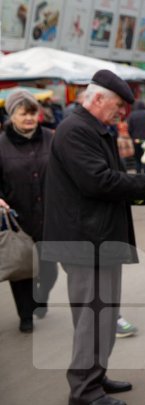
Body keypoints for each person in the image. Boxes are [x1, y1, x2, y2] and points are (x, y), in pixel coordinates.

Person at [42, 69, 145, 405]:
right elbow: (97, 181)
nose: (121, 113)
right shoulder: (76, 131)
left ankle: (95, 377)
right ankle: (85, 390)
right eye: (117, 106)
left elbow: (106, 178)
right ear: (97, 99)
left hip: (96, 236)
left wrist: (143, 187)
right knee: (93, 316)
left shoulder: (92, 128)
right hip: (85, 240)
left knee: (103, 313)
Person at [0, 89, 58, 332]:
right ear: (12, 115)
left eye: (33, 114)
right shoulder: (1, 144)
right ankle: (25, 315)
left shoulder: (51, 138)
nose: (29, 119)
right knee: (23, 268)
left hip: (50, 214)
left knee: (49, 267)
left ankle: (41, 297)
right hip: (17, 216)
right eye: (24, 114)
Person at [126, 101, 145, 173]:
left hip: (136, 139)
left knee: (137, 159)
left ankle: (138, 173)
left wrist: (132, 137)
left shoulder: (132, 115)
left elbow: (129, 128)